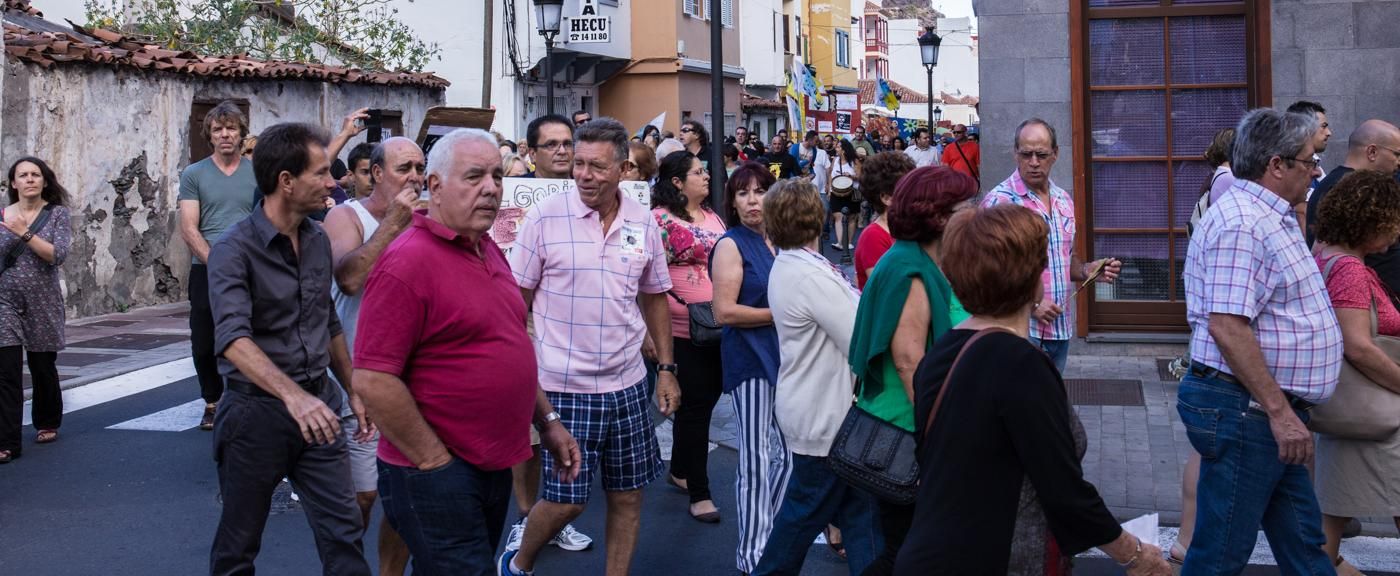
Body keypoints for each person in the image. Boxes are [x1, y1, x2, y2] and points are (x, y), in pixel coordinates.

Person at [351, 129, 581, 575]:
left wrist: (548, 422)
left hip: (490, 463)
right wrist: (435, 461)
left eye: (496, 175)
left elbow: (505, 346)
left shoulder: (485, 247)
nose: (491, 187)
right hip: (436, 471)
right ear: (434, 186)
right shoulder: (407, 261)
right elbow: (373, 379)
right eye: (474, 176)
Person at [896, 204, 1170, 576]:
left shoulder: (941, 352)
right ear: (1033, 279)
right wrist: (1136, 554)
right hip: (997, 556)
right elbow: (1065, 491)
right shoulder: (1021, 364)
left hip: (931, 549)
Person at [500, 117, 681, 576]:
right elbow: (513, 303)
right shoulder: (544, 217)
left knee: (628, 496)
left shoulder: (642, 222)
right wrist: (521, 372)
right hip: (563, 386)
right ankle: (518, 563)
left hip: (627, 386)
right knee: (566, 503)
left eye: (596, 166)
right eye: (578, 163)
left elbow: (655, 295)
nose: (583, 174)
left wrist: (665, 367)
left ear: (622, 168)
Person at [206, 122, 372, 575]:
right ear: (286, 181)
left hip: (320, 403)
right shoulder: (233, 250)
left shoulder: (318, 239)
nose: (332, 182)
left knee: (344, 534)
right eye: (320, 173)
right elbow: (233, 340)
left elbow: (328, 319)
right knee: (239, 545)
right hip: (254, 415)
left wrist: (352, 388)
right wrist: (293, 398)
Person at [1180, 108, 1340, 574]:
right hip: (1248, 411)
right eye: (1309, 160)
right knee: (1220, 553)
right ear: (1276, 165)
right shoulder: (1244, 224)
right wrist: (1279, 412)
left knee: (1305, 545)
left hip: (1264, 411)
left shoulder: (1270, 214)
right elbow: (1227, 326)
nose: (1315, 170)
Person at [847, 166, 977, 575]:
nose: (974, 211)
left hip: (909, 428)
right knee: (906, 554)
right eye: (965, 206)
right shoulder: (910, 270)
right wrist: (941, 440)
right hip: (906, 434)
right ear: (939, 216)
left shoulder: (917, 259)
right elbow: (909, 364)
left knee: (911, 551)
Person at [753, 179, 881, 576]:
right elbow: (861, 338)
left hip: (824, 414)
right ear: (818, 217)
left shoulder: (795, 267)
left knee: (861, 517)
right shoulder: (810, 276)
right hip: (825, 418)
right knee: (801, 519)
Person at [322, 137, 426, 576]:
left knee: (408, 496)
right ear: (377, 173)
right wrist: (394, 224)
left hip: (415, 379)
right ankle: (344, 567)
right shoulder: (345, 215)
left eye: (421, 168)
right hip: (360, 376)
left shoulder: (428, 219)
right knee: (364, 495)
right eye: (405, 168)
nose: (415, 178)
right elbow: (348, 278)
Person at [1308, 170, 1400, 576]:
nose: (1395, 237)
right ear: (1370, 221)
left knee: (1331, 512)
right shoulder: (1348, 268)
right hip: (1375, 408)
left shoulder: (1324, 254)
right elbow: (1358, 345)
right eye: (1391, 225)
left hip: (1348, 407)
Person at [981, 119, 1121, 373]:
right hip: (1018, 331)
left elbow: (1067, 259)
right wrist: (1031, 304)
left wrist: (1088, 270)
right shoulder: (1000, 203)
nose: (1034, 162)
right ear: (1015, 154)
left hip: (1060, 331)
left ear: (1055, 154)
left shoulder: (1062, 200)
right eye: (1026, 154)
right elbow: (986, 274)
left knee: (1045, 409)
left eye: (1041, 154)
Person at [710, 162, 787, 573]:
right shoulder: (731, 244)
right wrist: (784, 314)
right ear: (732, 200)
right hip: (751, 360)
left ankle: (769, 534)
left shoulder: (781, 241)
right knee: (756, 459)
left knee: (792, 459)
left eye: (760, 191)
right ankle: (752, 556)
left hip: (787, 360)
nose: (753, 200)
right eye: (743, 193)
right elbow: (724, 311)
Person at [1167, 126, 1237, 568]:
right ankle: (1191, 542)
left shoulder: (1219, 181)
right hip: (1219, 348)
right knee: (1208, 446)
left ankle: (1189, 541)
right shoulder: (1230, 183)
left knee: (1206, 447)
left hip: (1210, 339)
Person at [651, 150, 728, 523]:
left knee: (702, 401)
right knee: (696, 407)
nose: (706, 176)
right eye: (698, 172)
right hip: (681, 329)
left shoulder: (712, 216)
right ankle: (700, 491)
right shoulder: (658, 221)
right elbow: (648, 280)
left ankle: (680, 469)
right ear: (677, 182)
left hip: (716, 326)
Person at [178, 101, 259, 432]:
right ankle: (212, 400)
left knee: (254, 335)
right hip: (206, 268)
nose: (225, 134)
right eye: (217, 129)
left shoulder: (258, 172)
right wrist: (218, 263)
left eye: (231, 128)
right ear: (209, 135)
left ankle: (251, 399)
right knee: (204, 340)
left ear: (241, 133)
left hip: (253, 268)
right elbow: (188, 227)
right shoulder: (194, 174)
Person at [0, 157, 71, 464]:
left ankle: (47, 419)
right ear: (13, 184)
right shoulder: (2, 216)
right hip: (5, 302)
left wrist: (24, 233)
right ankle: (7, 442)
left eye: (35, 175)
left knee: (42, 366)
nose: (29, 179)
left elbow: (57, 255)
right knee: (7, 371)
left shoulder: (57, 215)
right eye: (23, 175)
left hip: (43, 300)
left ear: (44, 181)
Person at [1305, 119, 1400, 245]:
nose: (1399, 162)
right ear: (1372, 152)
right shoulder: (1363, 190)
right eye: (1397, 154)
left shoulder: (1328, 184)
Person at [853, 152, 916, 289]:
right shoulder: (873, 236)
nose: (916, 193)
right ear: (887, 198)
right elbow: (889, 290)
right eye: (908, 188)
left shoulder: (908, 228)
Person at [828, 139, 861, 251]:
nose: (836, 149)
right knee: (838, 216)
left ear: (844, 150)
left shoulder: (854, 161)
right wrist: (829, 188)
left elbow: (861, 176)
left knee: (852, 217)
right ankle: (840, 242)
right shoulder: (835, 160)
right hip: (836, 192)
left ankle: (849, 242)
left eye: (838, 147)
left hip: (851, 192)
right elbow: (831, 174)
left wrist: (851, 176)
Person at [527, 114, 576, 179]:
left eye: (567, 144)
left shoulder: (589, 186)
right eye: (551, 145)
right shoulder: (512, 187)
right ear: (533, 154)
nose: (562, 151)